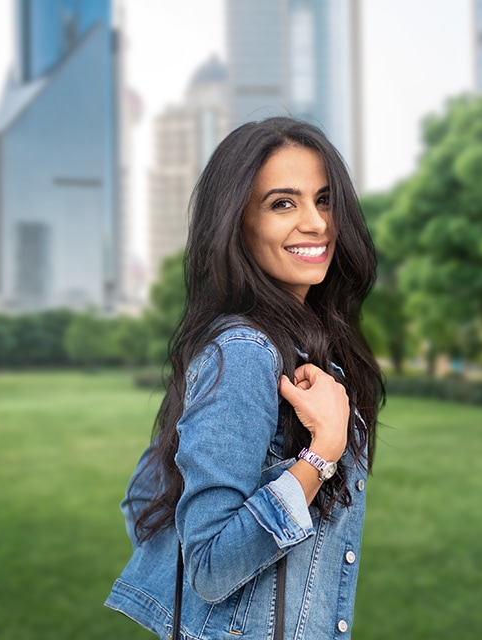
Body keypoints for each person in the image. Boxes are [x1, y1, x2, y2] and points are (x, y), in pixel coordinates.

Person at [104, 117, 383, 639]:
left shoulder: (299, 347)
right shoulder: (246, 352)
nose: (317, 223)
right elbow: (209, 563)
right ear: (238, 223)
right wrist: (322, 451)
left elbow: (147, 494)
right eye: (283, 203)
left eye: (324, 200)